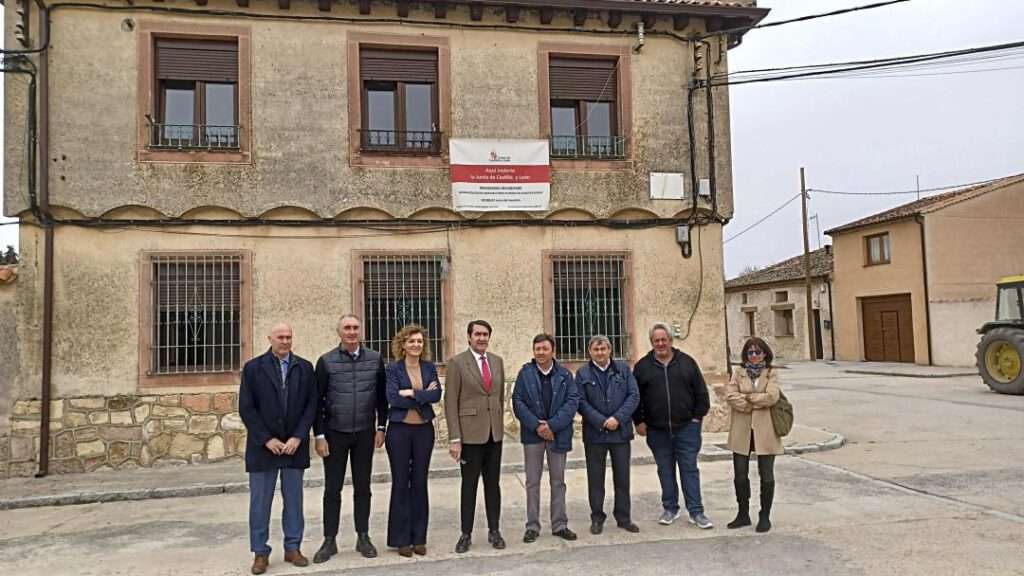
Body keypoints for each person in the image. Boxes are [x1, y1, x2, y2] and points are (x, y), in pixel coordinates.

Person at [238, 323, 318, 575]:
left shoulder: (304, 368)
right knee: (260, 503)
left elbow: (311, 405)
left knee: (294, 501)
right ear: (270, 339)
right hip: (264, 448)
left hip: (294, 447)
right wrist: (266, 439)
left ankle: (293, 547)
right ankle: (260, 552)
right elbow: (247, 409)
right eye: (280, 337)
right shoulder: (253, 368)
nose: (285, 341)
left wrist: (298, 436)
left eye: (289, 337)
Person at [312, 314, 388, 563]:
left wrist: (380, 427)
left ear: (361, 331)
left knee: (363, 487)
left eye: (356, 328)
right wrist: (320, 435)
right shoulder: (326, 362)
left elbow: (381, 398)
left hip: (365, 432)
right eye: (347, 328)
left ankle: (363, 536)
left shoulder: (376, 359)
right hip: (335, 434)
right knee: (332, 489)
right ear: (339, 332)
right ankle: (329, 540)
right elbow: (317, 403)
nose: (352, 332)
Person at [633, 322, 713, 529]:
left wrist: (697, 419)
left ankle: (696, 512)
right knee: (665, 470)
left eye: (663, 339)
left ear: (670, 340)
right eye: (656, 340)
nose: (660, 343)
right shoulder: (643, 367)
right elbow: (636, 398)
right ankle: (670, 508)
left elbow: (701, 394)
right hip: (657, 430)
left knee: (689, 470)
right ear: (651, 342)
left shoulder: (687, 363)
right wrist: (639, 421)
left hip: (687, 428)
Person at [444, 320, 507, 553]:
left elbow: (498, 397)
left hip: (494, 434)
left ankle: (494, 530)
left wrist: (499, 425)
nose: (481, 338)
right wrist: (454, 439)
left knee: (493, 485)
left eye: (485, 334)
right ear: (469, 337)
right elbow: (450, 402)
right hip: (469, 437)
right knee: (469, 486)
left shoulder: (497, 361)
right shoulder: (457, 363)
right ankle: (466, 533)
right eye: (477, 334)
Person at [512, 333, 580, 543]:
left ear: (553, 351)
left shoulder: (565, 375)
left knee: (558, 481)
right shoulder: (525, 373)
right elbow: (518, 402)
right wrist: (537, 426)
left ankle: (559, 524)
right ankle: (532, 526)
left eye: (544, 348)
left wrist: (552, 426)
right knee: (532, 481)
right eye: (537, 349)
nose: (540, 352)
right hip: (532, 435)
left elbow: (572, 402)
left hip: (558, 434)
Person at [384, 324, 443, 557]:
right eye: (411, 341)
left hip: (423, 432)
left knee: (419, 482)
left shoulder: (428, 367)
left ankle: (419, 537)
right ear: (403, 344)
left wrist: (411, 393)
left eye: (419, 341)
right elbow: (392, 398)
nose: (416, 345)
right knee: (401, 483)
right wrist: (422, 396)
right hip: (399, 431)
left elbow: (436, 395)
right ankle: (401, 539)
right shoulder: (392, 369)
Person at [576, 335, 640, 535]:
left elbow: (633, 396)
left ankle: (623, 517)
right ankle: (597, 518)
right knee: (596, 479)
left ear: (610, 350)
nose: (600, 353)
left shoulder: (623, 370)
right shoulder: (582, 373)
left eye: (603, 349)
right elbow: (580, 401)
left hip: (620, 433)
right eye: (596, 349)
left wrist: (617, 418)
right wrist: (601, 421)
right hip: (595, 435)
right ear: (590, 352)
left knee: (622, 478)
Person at [725, 337, 783, 533]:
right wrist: (753, 402)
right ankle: (743, 514)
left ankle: (764, 515)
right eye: (750, 352)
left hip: (765, 430)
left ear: (764, 353)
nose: (754, 355)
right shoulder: (738, 372)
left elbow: (773, 397)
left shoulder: (772, 373)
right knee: (740, 475)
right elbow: (730, 396)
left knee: (766, 475)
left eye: (758, 352)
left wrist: (748, 397)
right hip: (741, 430)